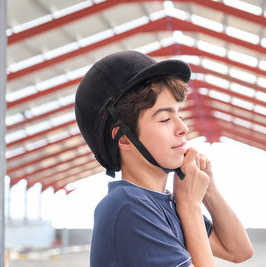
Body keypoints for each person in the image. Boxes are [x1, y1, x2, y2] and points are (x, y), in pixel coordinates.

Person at [75, 50, 253, 267]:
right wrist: (190, 205)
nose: (183, 128)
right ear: (123, 139)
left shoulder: (164, 203)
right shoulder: (128, 207)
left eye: (180, 114)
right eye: (166, 119)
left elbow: (238, 251)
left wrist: (208, 190)